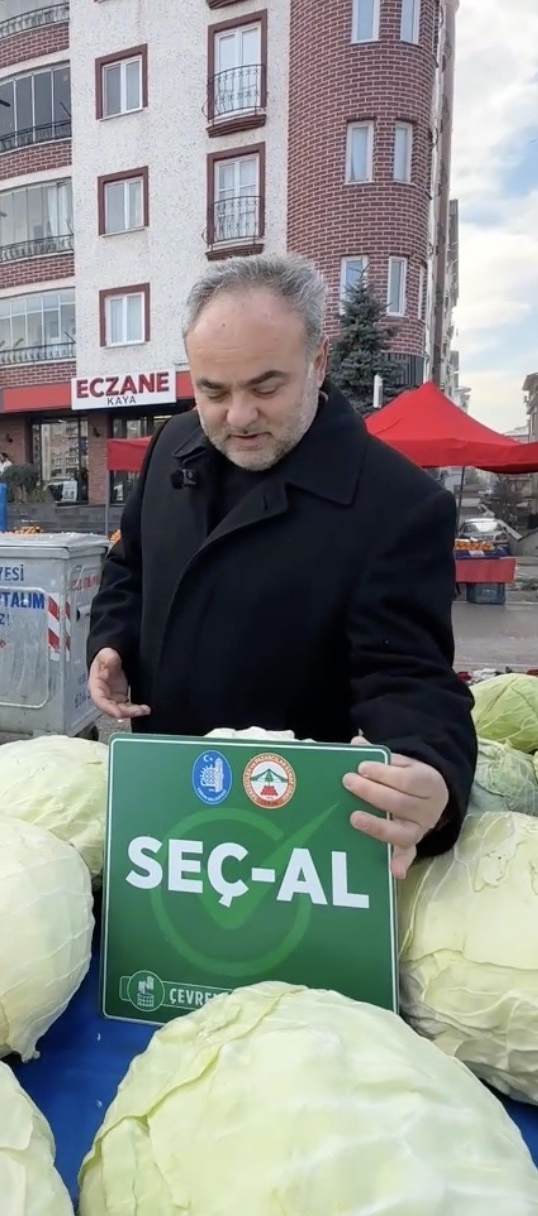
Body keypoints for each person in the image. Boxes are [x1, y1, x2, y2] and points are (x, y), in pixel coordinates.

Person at [88, 253, 476, 878]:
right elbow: (128, 565)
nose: (238, 417)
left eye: (266, 387)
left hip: (291, 844)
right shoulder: (171, 447)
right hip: (168, 818)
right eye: (213, 391)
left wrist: (428, 770)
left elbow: (408, 677)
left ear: (318, 363)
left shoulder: (399, 504)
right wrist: (112, 643)